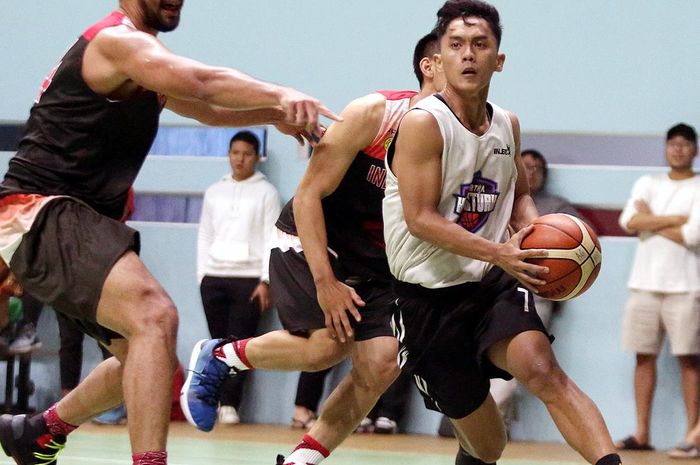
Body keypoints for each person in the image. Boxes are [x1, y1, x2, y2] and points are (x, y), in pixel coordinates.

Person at [0, 0, 338, 463]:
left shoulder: (143, 59)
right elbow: (202, 81)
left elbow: (201, 106)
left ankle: (38, 432)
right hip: (40, 210)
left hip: (74, 219)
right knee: (155, 318)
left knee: (145, 357)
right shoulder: (117, 42)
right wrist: (279, 93)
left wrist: (267, 115)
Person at [181, 32, 444, 465]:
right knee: (325, 346)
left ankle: (304, 459)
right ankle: (221, 354)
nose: (468, 58)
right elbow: (307, 198)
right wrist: (325, 283)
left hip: (377, 261)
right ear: (428, 67)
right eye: (455, 48)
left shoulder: (466, 139)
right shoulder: (376, 114)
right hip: (313, 238)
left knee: (380, 365)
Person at [382, 2, 620, 465]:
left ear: (499, 59)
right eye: (456, 45)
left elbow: (519, 196)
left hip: (492, 283)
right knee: (488, 445)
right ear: (440, 58)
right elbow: (421, 219)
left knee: (543, 370)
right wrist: (500, 250)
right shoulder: (423, 124)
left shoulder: (507, 123)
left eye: (480, 44)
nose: (468, 55)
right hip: (427, 300)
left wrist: (539, 235)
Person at [615, 123, 699, 452]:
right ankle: (641, 434)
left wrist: (652, 221)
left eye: (685, 144)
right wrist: (675, 219)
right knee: (643, 357)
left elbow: (692, 237)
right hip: (643, 284)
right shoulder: (647, 182)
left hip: (686, 287)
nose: (678, 149)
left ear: (695, 150)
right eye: (673, 144)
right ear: (666, 148)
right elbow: (628, 222)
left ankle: (693, 436)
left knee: (689, 361)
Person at [197, 129, 281, 425]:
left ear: (257, 157)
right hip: (214, 277)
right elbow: (205, 235)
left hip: (249, 281)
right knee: (217, 345)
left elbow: (272, 238)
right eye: (235, 153)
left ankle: (231, 404)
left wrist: (265, 280)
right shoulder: (214, 191)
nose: (240, 159)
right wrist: (202, 276)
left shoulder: (267, 193)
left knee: (240, 345)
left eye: (246, 154)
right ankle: (214, 400)